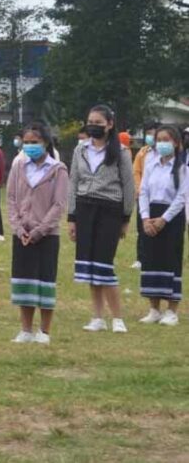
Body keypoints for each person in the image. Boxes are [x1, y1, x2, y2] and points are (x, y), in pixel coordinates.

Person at [68, 104, 134, 333]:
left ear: (110, 125)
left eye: (98, 123)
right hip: (85, 209)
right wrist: (72, 217)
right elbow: (73, 182)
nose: (93, 126)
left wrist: (126, 217)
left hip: (110, 210)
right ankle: (97, 317)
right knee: (89, 266)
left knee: (104, 265)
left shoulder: (122, 152)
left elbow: (128, 184)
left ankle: (117, 318)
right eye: (90, 122)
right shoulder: (80, 150)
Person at [6, 122, 68, 344]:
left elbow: (59, 204)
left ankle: (44, 330)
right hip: (22, 233)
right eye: (27, 143)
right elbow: (11, 198)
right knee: (24, 280)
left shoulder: (57, 170)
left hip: (47, 234)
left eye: (35, 142)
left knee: (44, 280)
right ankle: (25, 329)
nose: (30, 146)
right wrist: (19, 228)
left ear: (46, 143)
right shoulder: (18, 167)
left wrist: (40, 230)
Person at [136, 125, 185, 327]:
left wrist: (164, 219)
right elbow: (144, 190)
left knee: (170, 260)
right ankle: (154, 309)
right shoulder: (150, 162)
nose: (162, 143)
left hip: (171, 217)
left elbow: (182, 196)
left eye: (167, 139)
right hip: (151, 215)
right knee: (151, 259)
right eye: (159, 139)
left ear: (175, 142)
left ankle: (171, 311)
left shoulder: (182, 166)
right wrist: (146, 218)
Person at [131, 122, 158, 270]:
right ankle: (141, 259)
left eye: (154, 134)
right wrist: (140, 189)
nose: (151, 137)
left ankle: (155, 258)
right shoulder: (142, 153)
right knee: (142, 228)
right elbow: (136, 171)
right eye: (148, 134)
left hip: (158, 197)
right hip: (143, 196)